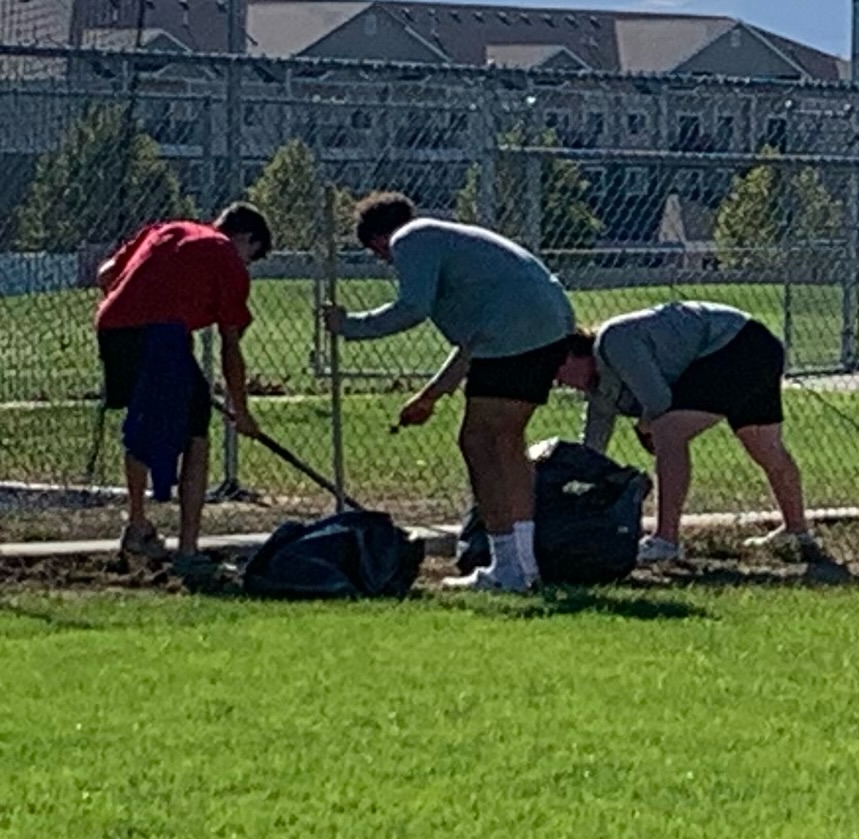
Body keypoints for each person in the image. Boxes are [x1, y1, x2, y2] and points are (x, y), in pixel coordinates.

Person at [321, 193, 575, 593]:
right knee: (506, 441)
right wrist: (431, 395)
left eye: (378, 254)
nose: (386, 263)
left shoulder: (412, 237)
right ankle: (524, 566)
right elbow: (473, 347)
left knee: (479, 440)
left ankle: (508, 566)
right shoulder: (451, 244)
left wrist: (351, 325)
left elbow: (412, 308)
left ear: (378, 239)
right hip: (547, 329)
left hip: (514, 336)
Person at [555, 301, 820, 564]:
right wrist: (568, 483)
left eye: (558, 375)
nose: (561, 384)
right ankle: (796, 531)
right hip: (756, 347)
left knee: (667, 432)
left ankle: (665, 540)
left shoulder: (614, 341)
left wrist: (645, 427)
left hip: (738, 344)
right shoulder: (599, 392)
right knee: (764, 445)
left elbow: (659, 401)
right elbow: (592, 447)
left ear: (571, 355)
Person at [95, 203, 269, 569]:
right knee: (196, 427)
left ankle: (138, 523)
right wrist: (242, 411)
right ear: (245, 238)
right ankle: (188, 549)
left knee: (141, 423)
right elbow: (230, 347)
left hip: (113, 328)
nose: (247, 266)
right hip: (161, 336)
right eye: (252, 257)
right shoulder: (225, 255)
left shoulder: (166, 229)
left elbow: (106, 275)